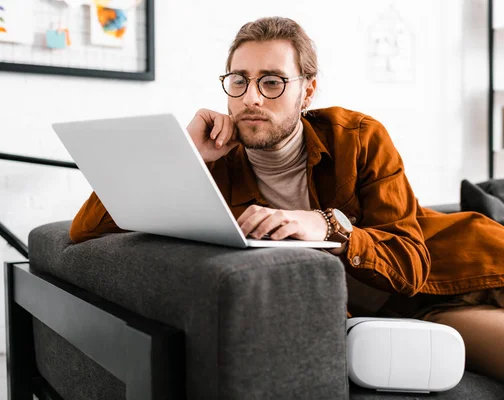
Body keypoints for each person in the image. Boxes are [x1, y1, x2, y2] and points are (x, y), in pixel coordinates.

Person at [69, 17, 504, 382]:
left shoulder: (358, 137)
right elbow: (85, 230)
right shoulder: (213, 163)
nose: (251, 98)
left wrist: (331, 227)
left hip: (474, 266)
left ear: (308, 91)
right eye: (239, 81)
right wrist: (187, 155)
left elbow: (412, 263)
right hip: (416, 314)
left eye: (272, 81)